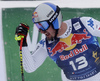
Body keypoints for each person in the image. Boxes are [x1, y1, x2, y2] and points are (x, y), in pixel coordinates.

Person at [15, 2, 100, 81]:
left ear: (55, 21)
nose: (41, 31)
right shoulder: (46, 44)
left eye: (43, 25)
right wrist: (23, 44)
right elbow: (30, 68)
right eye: (38, 26)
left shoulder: (84, 23)